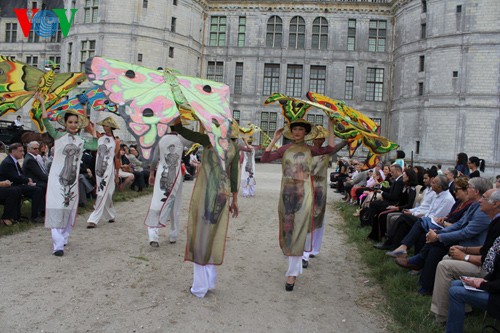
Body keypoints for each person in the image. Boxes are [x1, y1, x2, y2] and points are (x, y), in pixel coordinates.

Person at [261, 118, 343, 291]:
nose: (297, 132)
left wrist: (330, 125)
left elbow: (329, 149)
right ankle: (296, 266)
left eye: (300, 129)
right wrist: (275, 139)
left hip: (305, 193)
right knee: (288, 229)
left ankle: (291, 274)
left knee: (299, 228)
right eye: (295, 129)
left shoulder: (310, 149)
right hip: (287, 193)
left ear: (306, 133)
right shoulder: (285, 149)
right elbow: (265, 158)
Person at [173, 118, 239, 298]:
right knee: (209, 234)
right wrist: (234, 199)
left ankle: (199, 287)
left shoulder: (213, 141)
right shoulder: (220, 143)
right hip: (220, 194)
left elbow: (234, 173)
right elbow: (185, 132)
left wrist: (235, 199)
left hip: (210, 194)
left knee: (201, 236)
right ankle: (209, 281)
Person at [395, 177, 493, 295]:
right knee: (433, 242)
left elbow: (466, 232)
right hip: (464, 241)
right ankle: (423, 280)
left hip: (471, 246)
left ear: (476, 191)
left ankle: (424, 280)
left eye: (468, 187)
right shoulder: (474, 205)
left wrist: (439, 237)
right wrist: (438, 234)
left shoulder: (482, 210)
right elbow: (459, 224)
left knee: (436, 247)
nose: (466, 190)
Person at [36, 92, 98, 256]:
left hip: (72, 181)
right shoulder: (58, 136)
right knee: (57, 207)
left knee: (68, 208)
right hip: (56, 179)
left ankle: (64, 237)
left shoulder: (81, 141)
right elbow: (45, 120)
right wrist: (42, 101)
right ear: (65, 122)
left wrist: (90, 126)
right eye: (70, 122)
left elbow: (95, 145)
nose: (73, 125)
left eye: (75, 122)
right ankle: (58, 244)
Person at [430, 189, 500, 323]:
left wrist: (464, 256)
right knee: (446, 258)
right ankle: (463, 308)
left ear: (496, 204)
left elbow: (489, 261)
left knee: (445, 266)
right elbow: (488, 249)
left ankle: (441, 315)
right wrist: (465, 249)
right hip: (489, 267)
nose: (480, 200)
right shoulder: (493, 219)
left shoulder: (494, 222)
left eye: (484, 198)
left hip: (491, 274)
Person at [302, 125, 347, 267]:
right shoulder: (306, 150)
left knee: (317, 217)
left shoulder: (327, 151)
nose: (318, 141)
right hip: (306, 186)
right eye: (316, 138)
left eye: (321, 138)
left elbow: (340, 144)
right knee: (305, 216)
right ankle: (303, 251)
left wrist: (350, 137)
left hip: (320, 188)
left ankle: (313, 249)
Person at [446, 233, 500, 333]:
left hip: (496, 296)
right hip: (494, 288)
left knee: (455, 292)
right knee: (456, 284)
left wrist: (483, 284)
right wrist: (484, 280)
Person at [144, 129, 184, 246]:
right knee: (174, 205)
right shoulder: (182, 139)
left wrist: (152, 173)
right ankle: (173, 234)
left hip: (162, 173)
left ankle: (153, 235)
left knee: (157, 202)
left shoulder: (160, 139)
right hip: (175, 175)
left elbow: (155, 158)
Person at [86, 117, 121, 228]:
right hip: (98, 168)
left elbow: (117, 157)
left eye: (107, 125)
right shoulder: (99, 137)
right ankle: (110, 215)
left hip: (109, 168)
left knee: (102, 191)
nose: (105, 127)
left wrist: (117, 173)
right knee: (107, 192)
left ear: (111, 127)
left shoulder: (116, 141)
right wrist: (85, 112)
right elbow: (87, 128)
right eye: (104, 125)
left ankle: (93, 218)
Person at [0, 142, 45, 222]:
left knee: (38, 189)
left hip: (17, 184)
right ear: (13, 151)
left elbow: (20, 174)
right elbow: (15, 177)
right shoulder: (8, 162)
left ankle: (36, 214)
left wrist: (27, 180)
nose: (23, 153)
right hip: (12, 185)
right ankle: (34, 216)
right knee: (37, 190)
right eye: (20, 151)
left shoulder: (14, 161)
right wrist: (27, 180)